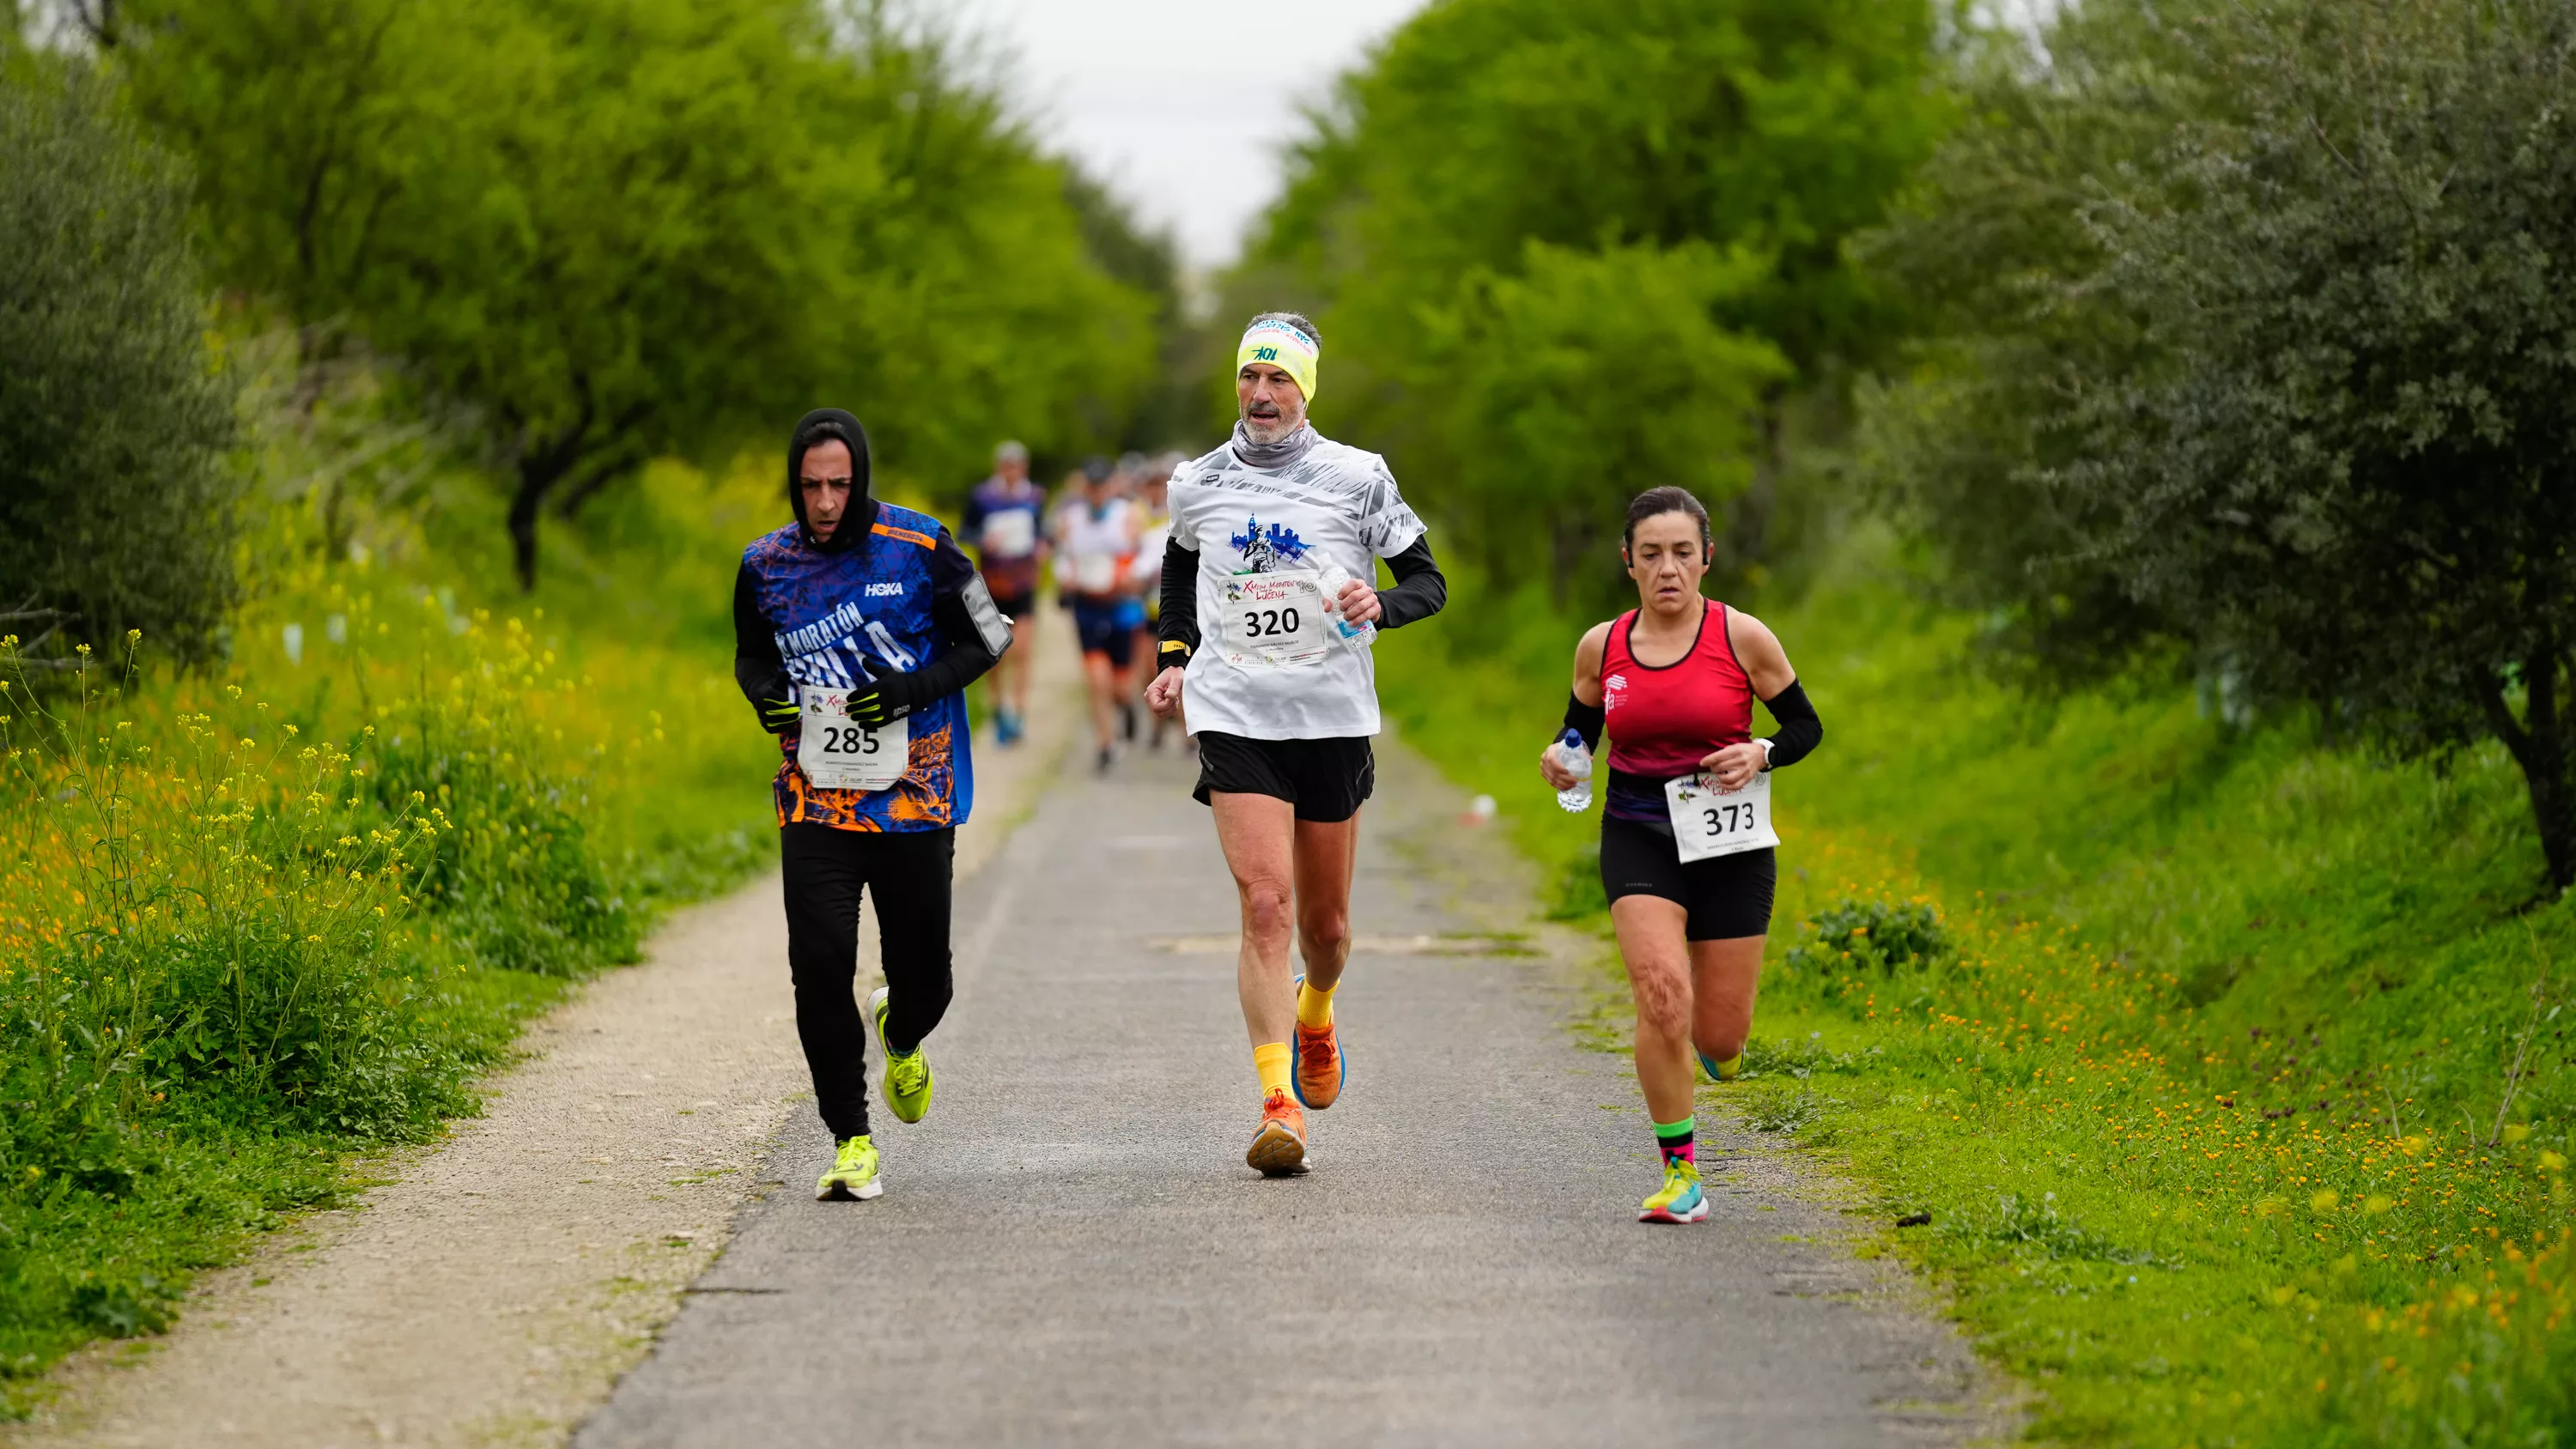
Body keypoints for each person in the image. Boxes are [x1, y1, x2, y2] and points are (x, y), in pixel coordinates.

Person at [1145, 312, 1448, 1176]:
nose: (1263, 394)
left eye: (1280, 380)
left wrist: (1379, 605)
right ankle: (1278, 1102)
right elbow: (1180, 565)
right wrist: (1176, 656)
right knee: (1265, 904)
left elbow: (1428, 580)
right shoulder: (1196, 481)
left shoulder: (1358, 477)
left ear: (1305, 389)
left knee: (1327, 927)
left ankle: (1317, 1006)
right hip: (1236, 710)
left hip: (1331, 715)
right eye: (1251, 377)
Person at [732, 408, 1015, 1202]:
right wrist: (768, 701)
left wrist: (909, 690)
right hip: (815, 801)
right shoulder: (764, 564)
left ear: (861, 479)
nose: (824, 501)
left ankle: (902, 1028)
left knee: (928, 983)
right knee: (819, 967)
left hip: (916, 798)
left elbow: (991, 639)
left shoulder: (920, 546)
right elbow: (752, 658)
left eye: (839, 485)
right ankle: (850, 1140)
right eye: (810, 486)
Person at [1536, 486, 1823, 1224]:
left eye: (1683, 554)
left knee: (1720, 1033)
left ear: (1707, 559)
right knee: (1662, 993)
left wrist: (1760, 752)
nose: (1669, 568)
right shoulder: (1601, 645)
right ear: (1628, 562)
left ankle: (1715, 1050)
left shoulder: (1745, 638)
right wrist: (1564, 758)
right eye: (1652, 554)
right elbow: (1579, 736)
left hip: (1730, 842)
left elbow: (1805, 728)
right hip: (1639, 831)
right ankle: (1681, 1175)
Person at [1053, 456, 1141, 774]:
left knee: (1119, 684)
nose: (1097, 492)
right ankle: (1105, 743)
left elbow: (1141, 555)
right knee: (1096, 679)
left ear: (1112, 485)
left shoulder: (1128, 515)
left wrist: (1125, 578)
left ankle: (1127, 705)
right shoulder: (1071, 518)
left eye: (1102, 485)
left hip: (1121, 607)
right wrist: (1067, 578)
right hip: (1087, 606)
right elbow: (1063, 559)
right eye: (1091, 486)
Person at [960, 440, 1047, 745]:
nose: (1011, 471)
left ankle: (1019, 712)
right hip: (992, 584)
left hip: (1023, 582)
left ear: (1023, 467)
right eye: (1006, 465)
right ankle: (999, 709)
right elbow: (964, 531)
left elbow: (1041, 531)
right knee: (996, 653)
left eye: (1017, 465)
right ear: (999, 467)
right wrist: (984, 540)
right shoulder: (983, 497)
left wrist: (1042, 546)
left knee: (1022, 650)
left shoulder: (1034, 496)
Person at [1126, 453, 1176, 750]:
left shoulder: (1178, 513)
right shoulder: (1138, 515)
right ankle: (1157, 725)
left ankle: (1184, 734)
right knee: (1149, 671)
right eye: (1152, 486)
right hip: (1146, 606)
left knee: (1180, 668)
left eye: (1162, 485)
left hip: (1177, 608)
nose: (1157, 491)